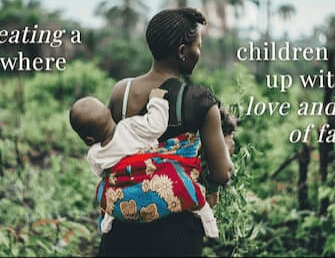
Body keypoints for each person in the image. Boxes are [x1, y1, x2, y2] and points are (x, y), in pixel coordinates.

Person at [98, 6, 234, 258]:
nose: (199, 52)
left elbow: (109, 149)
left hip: (123, 225)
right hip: (176, 235)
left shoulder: (121, 92)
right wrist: (226, 145)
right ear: (183, 52)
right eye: (198, 46)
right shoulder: (199, 100)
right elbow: (222, 173)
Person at [69, 86, 223, 241]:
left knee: (104, 188)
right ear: (110, 113)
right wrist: (156, 100)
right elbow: (156, 125)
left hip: (124, 193)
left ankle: (109, 216)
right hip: (151, 179)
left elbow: (101, 173)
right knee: (185, 184)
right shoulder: (129, 127)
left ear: (88, 140)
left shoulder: (95, 154)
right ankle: (207, 219)